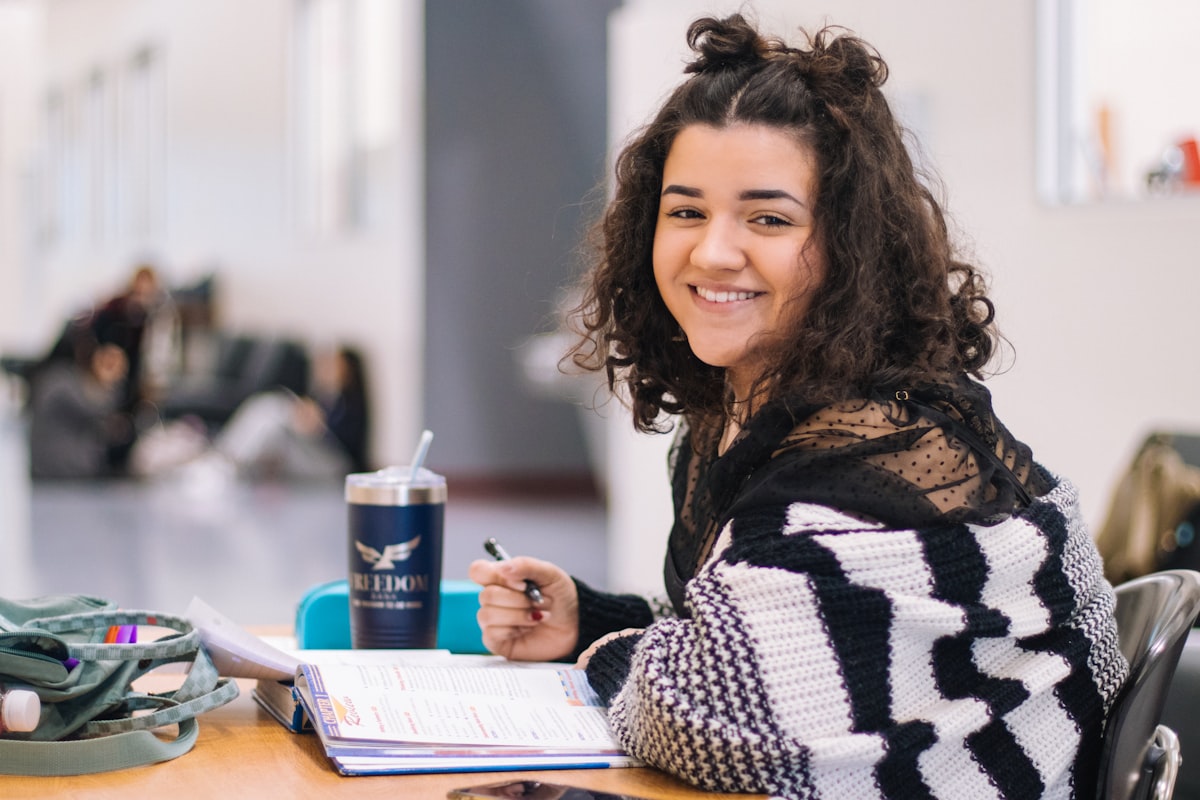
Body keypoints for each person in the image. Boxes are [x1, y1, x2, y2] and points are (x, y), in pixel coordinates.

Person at [469, 14, 1127, 799]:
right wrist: (592, 615)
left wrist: (601, 653)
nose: (713, 251)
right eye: (685, 212)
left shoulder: (867, 456)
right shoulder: (746, 414)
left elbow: (705, 718)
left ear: (849, 246)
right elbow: (789, 632)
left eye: (769, 219)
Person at [28, 325, 130, 479]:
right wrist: (112, 380)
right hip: (63, 470)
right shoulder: (60, 380)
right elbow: (97, 408)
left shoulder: (50, 378)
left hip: (49, 469)